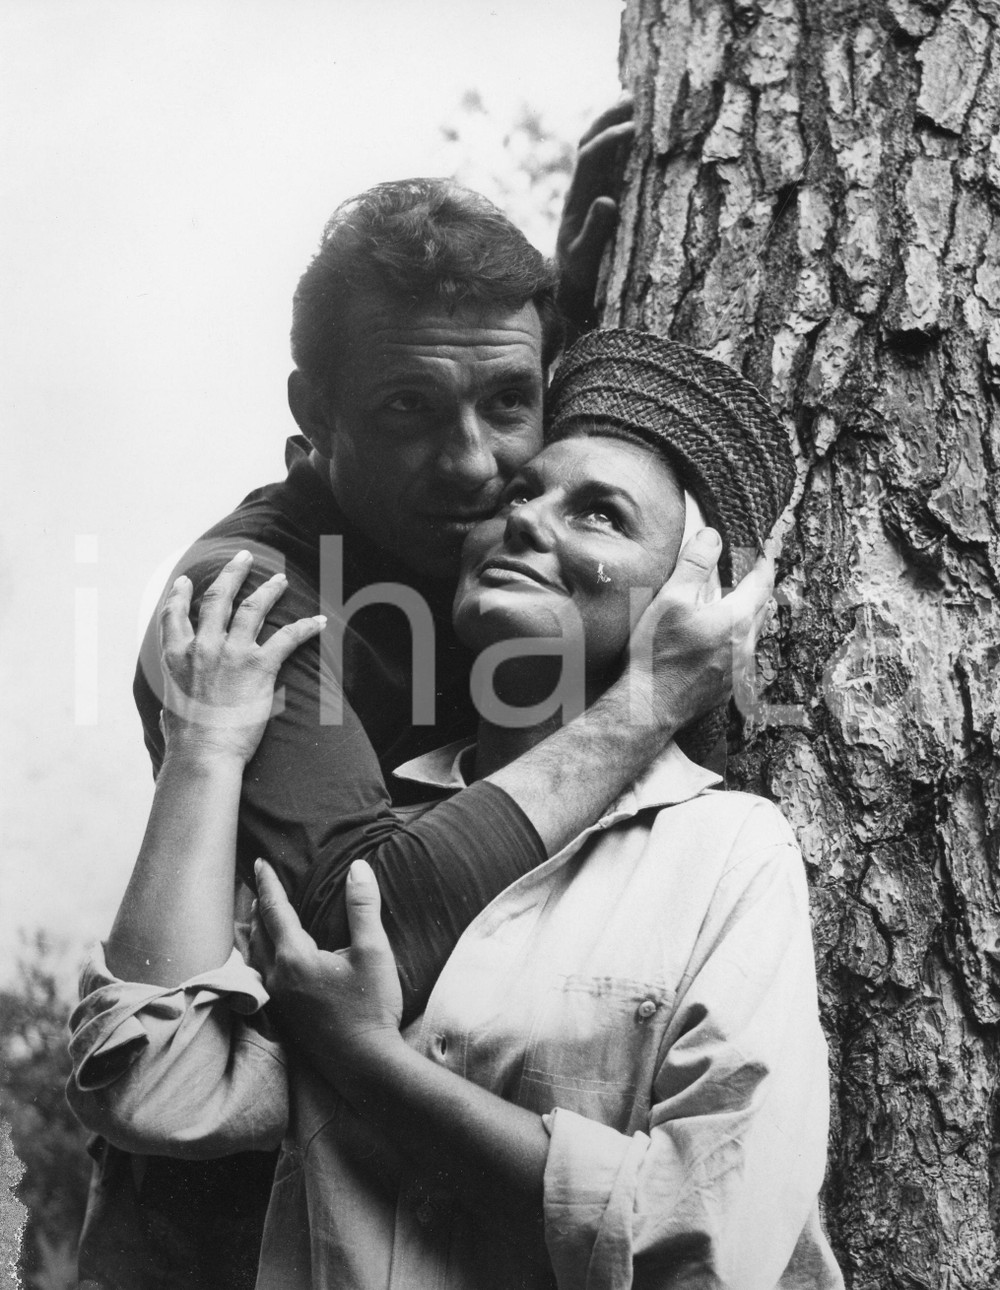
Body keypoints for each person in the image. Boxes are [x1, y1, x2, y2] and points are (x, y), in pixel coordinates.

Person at [79, 118, 774, 1288]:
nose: (472, 469)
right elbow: (354, 929)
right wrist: (647, 699)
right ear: (315, 409)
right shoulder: (252, 591)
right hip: (235, 1229)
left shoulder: (496, 535)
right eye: (406, 410)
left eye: (511, 402)